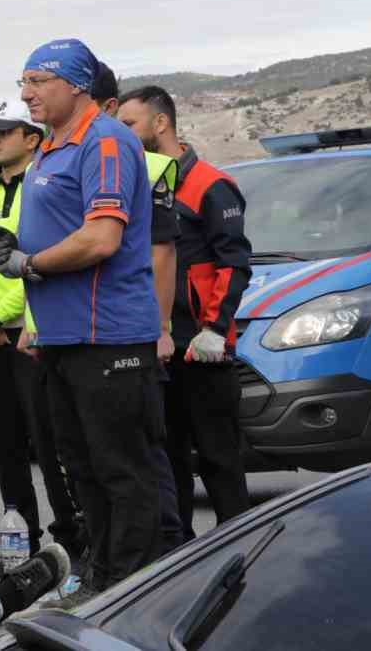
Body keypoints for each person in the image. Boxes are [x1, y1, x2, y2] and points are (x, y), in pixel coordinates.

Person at [0, 39, 163, 601]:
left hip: (108, 335)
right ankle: (102, 579)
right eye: (23, 80)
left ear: (76, 84)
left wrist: (30, 263)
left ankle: (133, 589)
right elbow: (63, 226)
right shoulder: (51, 146)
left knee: (120, 469)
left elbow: (102, 237)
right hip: (63, 336)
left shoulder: (105, 139)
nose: (25, 93)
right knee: (81, 468)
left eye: (37, 80)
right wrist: (17, 248)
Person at [118, 85, 253, 537]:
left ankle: (239, 549)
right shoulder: (140, 183)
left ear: (160, 124)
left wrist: (214, 328)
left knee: (219, 459)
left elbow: (234, 264)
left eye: (129, 125)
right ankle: (178, 561)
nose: (124, 135)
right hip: (155, 344)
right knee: (166, 457)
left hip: (202, 346)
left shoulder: (211, 186)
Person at [0, 100, 83, 578]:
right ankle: (23, 542)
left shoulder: (46, 188)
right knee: (4, 443)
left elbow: (38, 261)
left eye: (5, 132)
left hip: (33, 333)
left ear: (32, 138)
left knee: (49, 443)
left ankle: (72, 539)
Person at [87, 64, 183, 559]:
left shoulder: (143, 167)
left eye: (128, 122)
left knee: (140, 455)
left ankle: (166, 553)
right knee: (104, 457)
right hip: (91, 330)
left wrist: (162, 326)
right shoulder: (78, 157)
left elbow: (161, 253)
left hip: (132, 329)